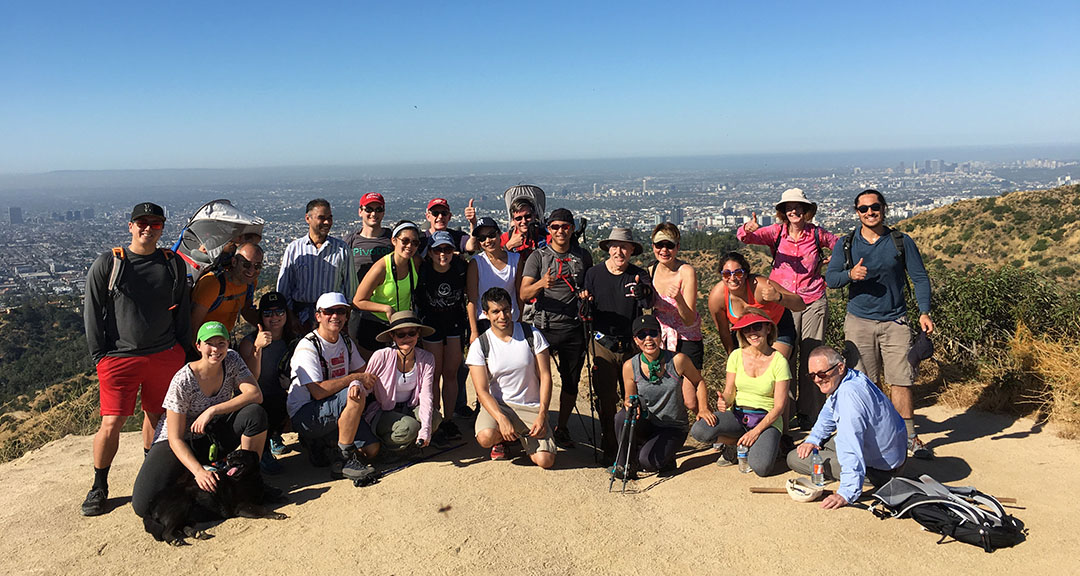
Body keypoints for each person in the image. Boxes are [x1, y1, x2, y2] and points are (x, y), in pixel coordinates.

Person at [81, 202, 190, 516]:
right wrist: (100, 355)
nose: (148, 228)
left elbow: (181, 310)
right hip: (120, 357)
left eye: (155, 224)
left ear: (162, 228)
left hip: (165, 354)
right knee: (112, 422)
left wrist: (181, 350)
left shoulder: (172, 264)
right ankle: (99, 486)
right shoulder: (110, 263)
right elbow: (92, 312)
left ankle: (149, 477)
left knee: (158, 419)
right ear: (130, 226)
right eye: (142, 223)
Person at [825, 189, 935, 459]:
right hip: (858, 322)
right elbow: (831, 279)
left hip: (895, 321)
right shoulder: (847, 243)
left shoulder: (900, 242)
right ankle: (874, 437)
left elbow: (919, 278)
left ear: (884, 209)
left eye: (875, 207)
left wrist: (924, 311)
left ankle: (908, 437)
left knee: (901, 381)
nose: (870, 212)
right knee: (864, 383)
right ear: (857, 212)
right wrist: (851, 274)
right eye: (863, 209)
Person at [131, 321, 268, 519]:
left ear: (228, 344)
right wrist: (198, 472)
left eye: (221, 343)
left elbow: (255, 394)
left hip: (210, 432)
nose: (216, 349)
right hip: (177, 442)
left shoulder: (232, 360)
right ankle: (196, 474)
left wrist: (212, 410)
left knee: (255, 413)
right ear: (198, 346)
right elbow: (175, 438)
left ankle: (248, 481)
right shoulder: (183, 381)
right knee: (143, 506)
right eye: (209, 343)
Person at [738, 188, 839, 427]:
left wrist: (830, 266)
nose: (793, 211)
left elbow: (842, 247)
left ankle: (810, 414)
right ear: (783, 212)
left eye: (798, 207)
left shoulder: (817, 235)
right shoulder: (776, 232)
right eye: (789, 207)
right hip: (782, 302)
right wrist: (747, 229)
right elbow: (745, 238)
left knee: (812, 356)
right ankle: (785, 412)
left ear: (806, 211)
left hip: (813, 299)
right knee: (783, 358)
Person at [786, 346, 907, 509]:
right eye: (812, 376)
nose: (817, 380)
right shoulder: (854, 378)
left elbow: (850, 444)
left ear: (840, 367)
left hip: (882, 471)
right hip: (895, 455)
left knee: (794, 458)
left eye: (822, 374)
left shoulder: (848, 396)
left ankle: (857, 478)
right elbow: (829, 412)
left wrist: (846, 492)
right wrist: (813, 439)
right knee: (817, 446)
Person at [520, 208, 593, 448]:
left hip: (573, 327)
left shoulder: (583, 256)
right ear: (548, 230)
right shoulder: (538, 257)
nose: (560, 231)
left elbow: (589, 287)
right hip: (544, 326)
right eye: (555, 227)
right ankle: (536, 423)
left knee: (570, 381)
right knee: (537, 379)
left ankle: (562, 427)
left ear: (572, 229)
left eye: (565, 226)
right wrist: (542, 283)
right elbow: (523, 293)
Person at [287, 293, 380, 482]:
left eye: (340, 311)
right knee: (354, 394)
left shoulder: (345, 341)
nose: (335, 316)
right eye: (329, 311)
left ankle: (326, 445)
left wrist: (357, 380)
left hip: (334, 407)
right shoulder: (308, 347)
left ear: (346, 316)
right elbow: (318, 391)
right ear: (318, 316)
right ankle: (344, 459)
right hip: (306, 413)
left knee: (372, 450)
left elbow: (364, 372)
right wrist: (354, 379)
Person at [690, 308, 790, 477]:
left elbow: (779, 407)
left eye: (757, 326)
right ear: (742, 333)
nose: (752, 333)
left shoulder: (779, 361)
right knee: (700, 430)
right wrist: (725, 401)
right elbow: (730, 391)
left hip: (767, 419)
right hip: (738, 413)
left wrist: (756, 431)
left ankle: (766, 444)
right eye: (747, 329)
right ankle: (738, 443)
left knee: (761, 467)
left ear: (768, 328)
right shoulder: (736, 356)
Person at [584, 227, 654, 465]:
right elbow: (587, 310)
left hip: (630, 346)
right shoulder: (593, 274)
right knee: (605, 398)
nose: (619, 251)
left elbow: (648, 302)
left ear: (632, 250)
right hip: (603, 343)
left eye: (624, 246)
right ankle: (610, 446)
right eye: (614, 246)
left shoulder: (638, 274)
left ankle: (631, 445)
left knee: (631, 397)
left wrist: (642, 290)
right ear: (608, 249)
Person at [614, 315, 715, 477]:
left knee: (647, 462)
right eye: (642, 335)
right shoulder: (630, 366)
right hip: (647, 423)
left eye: (653, 333)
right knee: (621, 417)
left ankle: (661, 457)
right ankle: (624, 465)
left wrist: (703, 408)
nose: (648, 339)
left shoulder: (677, 360)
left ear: (661, 335)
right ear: (635, 340)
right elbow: (628, 398)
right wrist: (630, 404)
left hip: (672, 427)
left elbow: (699, 382)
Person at [467, 287, 556, 468]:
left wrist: (542, 414)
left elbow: (545, 376)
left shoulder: (531, 334)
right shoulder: (480, 345)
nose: (502, 316)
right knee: (485, 437)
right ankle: (505, 437)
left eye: (506, 310)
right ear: (485, 314)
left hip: (530, 406)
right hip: (501, 406)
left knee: (545, 461)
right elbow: (482, 391)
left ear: (512, 309)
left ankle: (522, 437)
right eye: (496, 311)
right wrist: (500, 417)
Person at [415, 230, 468, 443]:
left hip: (454, 323)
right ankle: (434, 419)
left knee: (451, 372)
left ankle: (447, 419)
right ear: (430, 252)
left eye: (447, 249)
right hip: (431, 324)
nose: (443, 254)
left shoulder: (460, 268)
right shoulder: (424, 270)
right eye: (438, 250)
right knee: (434, 374)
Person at [362, 312, 442, 451]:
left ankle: (413, 443)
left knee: (434, 418)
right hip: (382, 410)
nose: (407, 338)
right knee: (410, 427)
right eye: (401, 335)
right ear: (392, 336)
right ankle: (387, 448)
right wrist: (355, 386)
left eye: (411, 333)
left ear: (418, 334)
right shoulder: (381, 356)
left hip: (409, 407)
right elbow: (366, 383)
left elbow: (426, 395)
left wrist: (426, 429)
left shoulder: (427, 358)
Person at [276, 199, 357, 332]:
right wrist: (291, 317)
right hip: (301, 318)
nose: (327, 222)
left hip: (333, 318)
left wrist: (344, 319)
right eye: (321, 218)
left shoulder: (342, 249)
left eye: (329, 218)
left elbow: (351, 289)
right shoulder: (294, 249)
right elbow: (284, 288)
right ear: (308, 218)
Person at [648, 223, 704, 411]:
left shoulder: (686, 272)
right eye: (659, 245)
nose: (664, 250)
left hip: (687, 337)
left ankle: (710, 433)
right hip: (661, 338)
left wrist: (679, 299)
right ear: (653, 246)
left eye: (669, 245)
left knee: (690, 400)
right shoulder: (651, 271)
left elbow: (689, 318)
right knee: (663, 392)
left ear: (677, 247)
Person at [707, 251, 805, 359]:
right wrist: (732, 359)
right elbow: (724, 332)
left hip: (777, 329)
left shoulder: (761, 286)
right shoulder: (717, 297)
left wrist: (779, 297)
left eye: (738, 273)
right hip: (746, 334)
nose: (732, 278)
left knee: (772, 366)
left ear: (745, 274)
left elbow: (800, 305)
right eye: (726, 274)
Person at [237, 291, 295, 472]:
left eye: (279, 312)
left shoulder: (293, 340)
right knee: (265, 405)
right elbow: (250, 379)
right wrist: (257, 349)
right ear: (261, 317)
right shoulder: (249, 342)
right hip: (258, 401)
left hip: (283, 396)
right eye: (268, 313)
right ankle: (263, 448)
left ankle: (275, 435)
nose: (274, 317)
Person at [352, 220, 422, 357]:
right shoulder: (382, 268)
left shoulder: (415, 262)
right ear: (394, 241)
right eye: (405, 241)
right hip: (374, 326)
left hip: (402, 326)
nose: (410, 246)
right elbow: (358, 300)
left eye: (415, 243)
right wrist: (386, 308)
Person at [343, 192, 393, 346]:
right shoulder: (350, 242)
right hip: (359, 311)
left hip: (387, 310)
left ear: (384, 212)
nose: (373, 213)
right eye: (369, 209)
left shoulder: (392, 240)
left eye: (378, 209)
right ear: (360, 211)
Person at [467, 216, 523, 339]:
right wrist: (474, 331)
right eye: (482, 238)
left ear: (499, 234)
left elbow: (520, 293)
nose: (488, 241)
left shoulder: (516, 260)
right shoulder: (476, 263)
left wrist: (520, 319)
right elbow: (472, 300)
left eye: (491, 235)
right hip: (485, 321)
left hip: (510, 319)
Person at [190, 242, 263, 335]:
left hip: (224, 340)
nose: (252, 271)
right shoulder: (212, 283)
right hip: (205, 342)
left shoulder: (250, 283)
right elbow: (193, 326)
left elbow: (246, 310)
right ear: (234, 262)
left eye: (257, 266)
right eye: (246, 264)